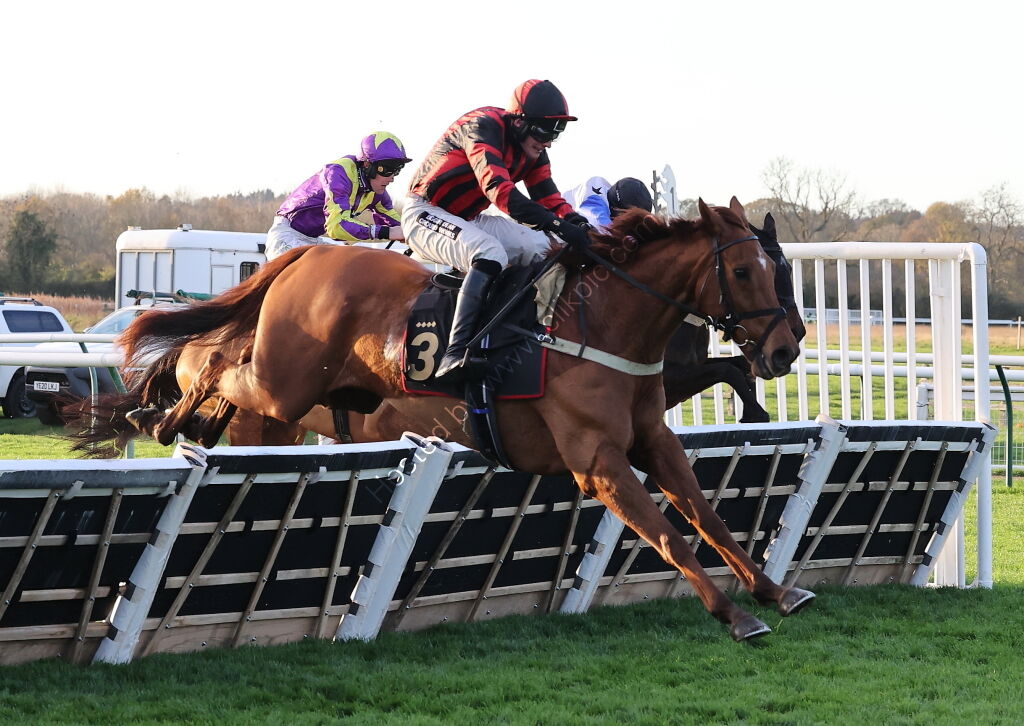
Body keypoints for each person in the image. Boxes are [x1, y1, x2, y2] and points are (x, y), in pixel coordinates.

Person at [402, 79, 592, 380]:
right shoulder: (483, 126)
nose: (550, 141)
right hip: (424, 211)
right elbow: (500, 193)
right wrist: (558, 225)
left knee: (542, 246)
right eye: (546, 130)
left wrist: (577, 223)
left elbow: (548, 198)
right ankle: (456, 351)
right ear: (518, 121)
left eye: (558, 131)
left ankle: (525, 330)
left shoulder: (535, 152)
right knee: (489, 252)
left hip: (468, 217)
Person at [265, 132, 411, 260]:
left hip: (312, 240)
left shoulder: (376, 191)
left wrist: (414, 234)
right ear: (367, 165)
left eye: (397, 170)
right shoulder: (339, 172)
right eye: (387, 170)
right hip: (287, 234)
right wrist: (386, 232)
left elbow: (398, 224)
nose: (392, 178)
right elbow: (336, 227)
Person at [561, 176, 655, 230]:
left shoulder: (607, 192)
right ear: (615, 209)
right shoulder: (594, 200)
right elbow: (598, 221)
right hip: (550, 231)